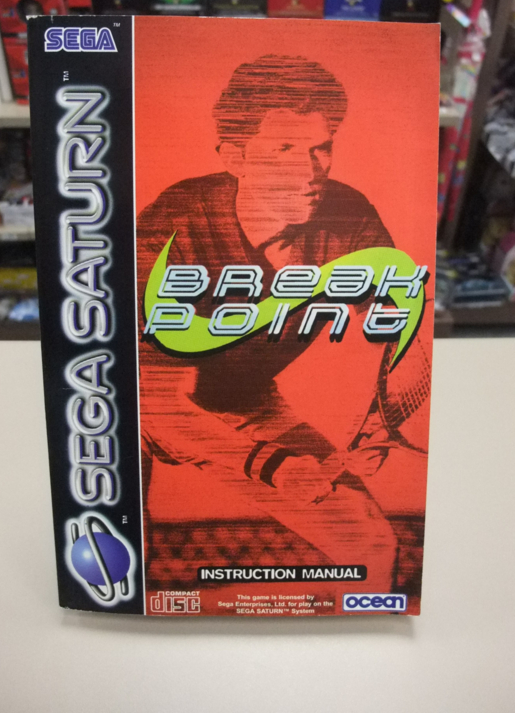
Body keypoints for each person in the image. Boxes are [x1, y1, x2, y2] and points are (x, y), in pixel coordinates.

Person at [136, 55, 420, 594]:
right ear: (235, 157)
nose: (311, 173)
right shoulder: (173, 222)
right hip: (138, 400)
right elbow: (159, 403)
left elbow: (399, 337)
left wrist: (380, 421)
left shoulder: (349, 216)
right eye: (285, 150)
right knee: (123, 550)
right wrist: (271, 465)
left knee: (371, 547)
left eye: (322, 148)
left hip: (244, 401)